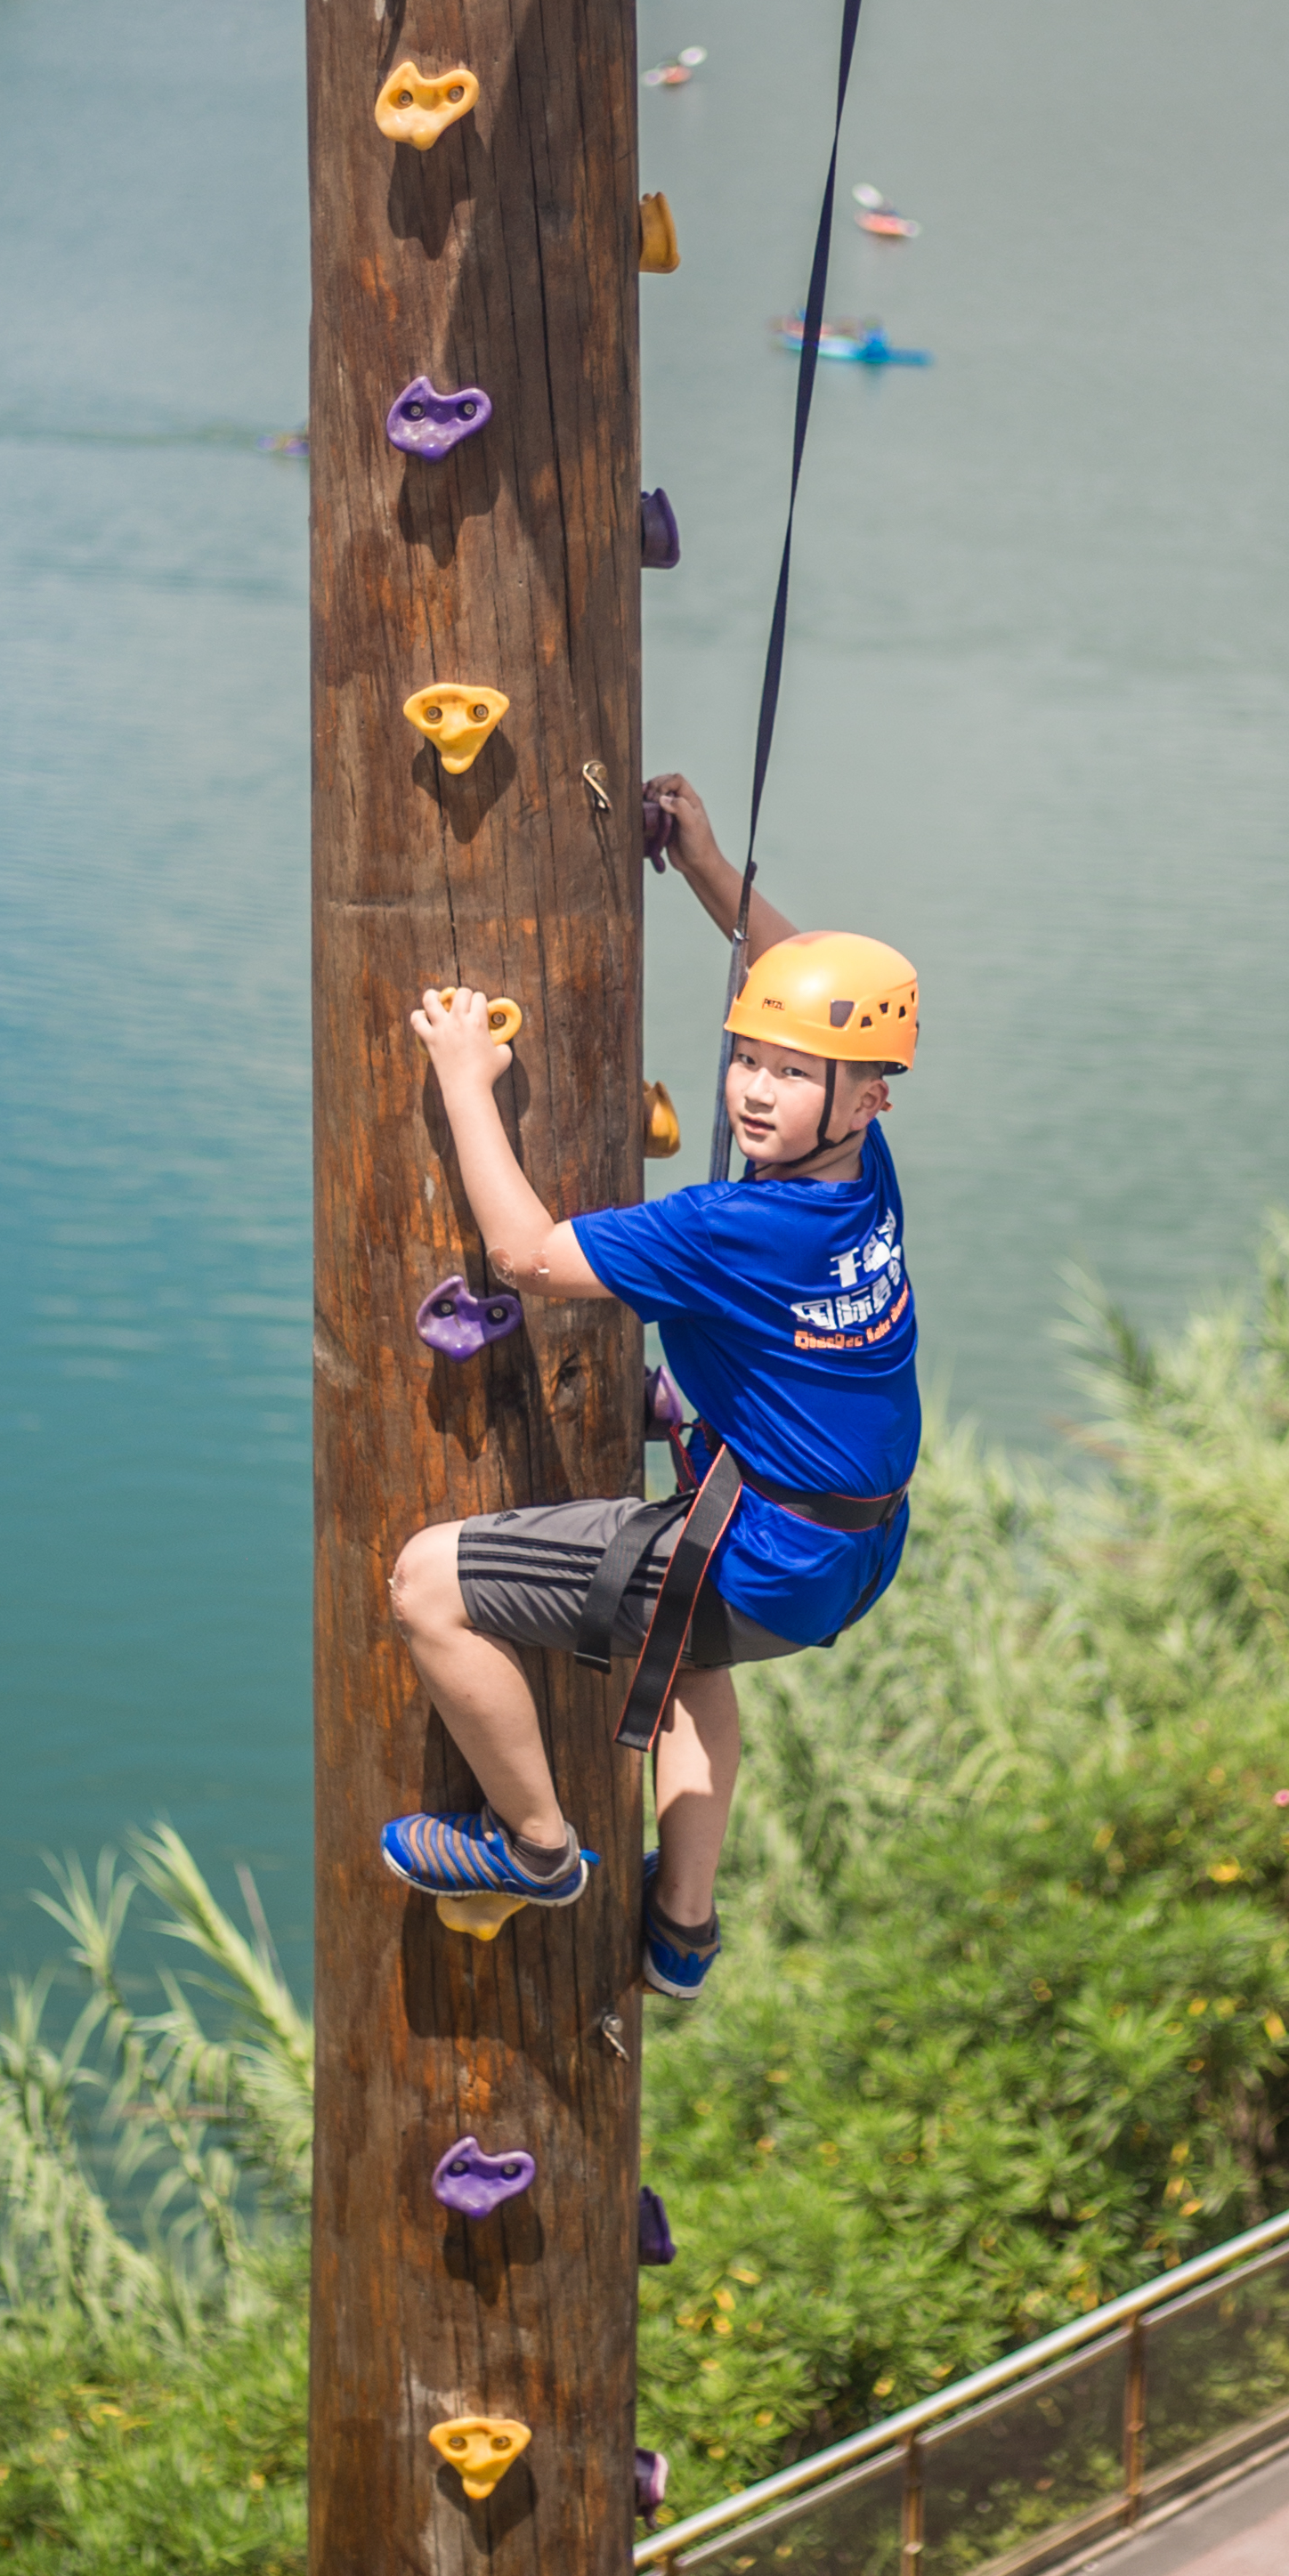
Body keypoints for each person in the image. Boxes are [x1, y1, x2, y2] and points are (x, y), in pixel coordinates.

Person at [381, 773, 920, 2000]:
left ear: (864, 1094)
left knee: (423, 1581)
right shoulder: (860, 1174)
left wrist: (466, 1075)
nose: (752, 1088)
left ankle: (533, 1845)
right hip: (844, 1553)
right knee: (690, 1661)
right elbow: (817, 986)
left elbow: (524, 1255)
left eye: (791, 1075)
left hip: (765, 1555)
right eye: (746, 1058)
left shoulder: (734, 1225)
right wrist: (705, 866)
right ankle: (681, 1926)